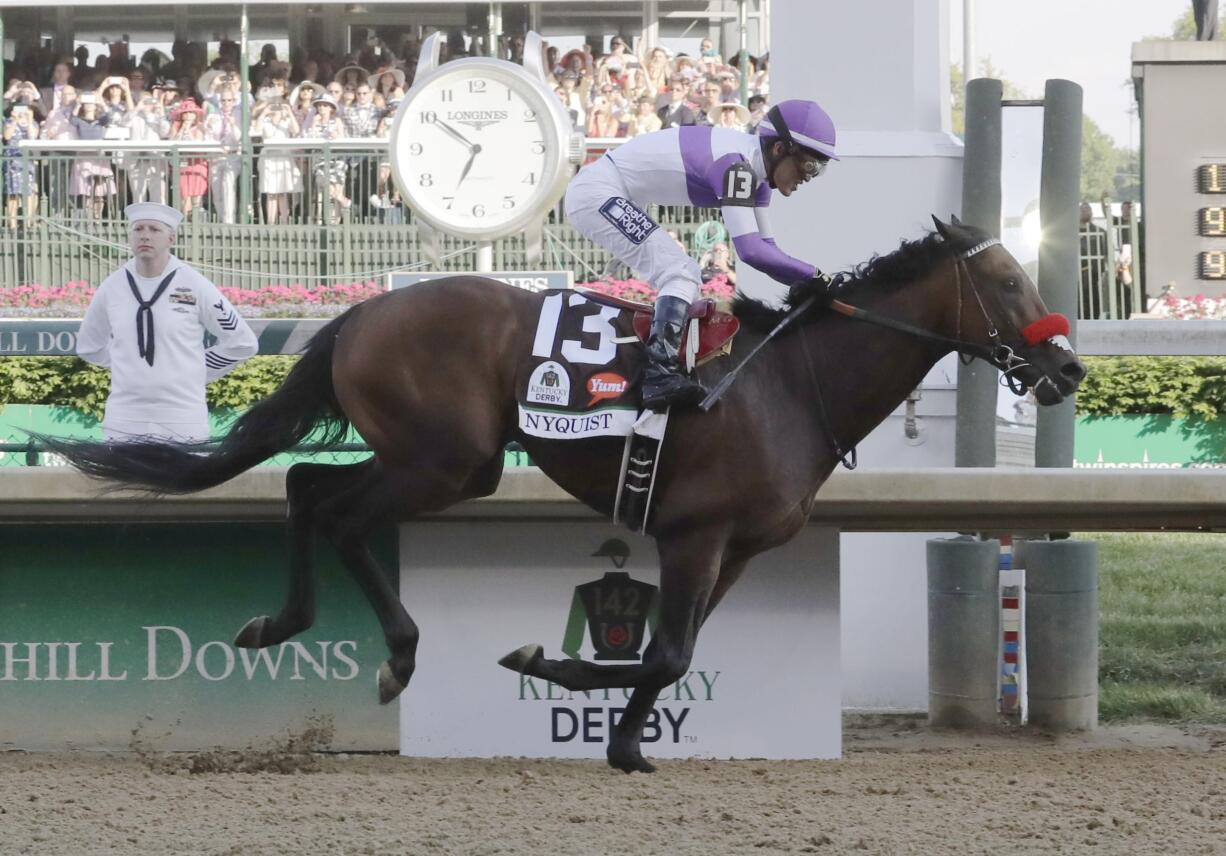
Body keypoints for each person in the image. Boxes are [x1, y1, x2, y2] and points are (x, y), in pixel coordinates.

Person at [564, 99, 837, 410]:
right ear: (779, 149)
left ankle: (665, 368)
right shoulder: (737, 167)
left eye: (819, 170)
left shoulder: (757, 179)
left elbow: (768, 252)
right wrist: (815, 276)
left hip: (610, 190)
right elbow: (750, 252)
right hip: (597, 192)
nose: (809, 177)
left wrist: (810, 283)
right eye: (810, 165)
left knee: (683, 272)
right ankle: (658, 374)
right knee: (681, 272)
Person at [76, 202, 258, 443]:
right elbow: (89, 346)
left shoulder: (195, 284)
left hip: (183, 417)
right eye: (138, 229)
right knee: (128, 482)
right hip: (125, 417)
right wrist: (128, 365)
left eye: (154, 229)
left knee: (183, 481)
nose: (145, 236)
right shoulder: (112, 287)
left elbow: (242, 343)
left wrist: (196, 369)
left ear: (171, 238)